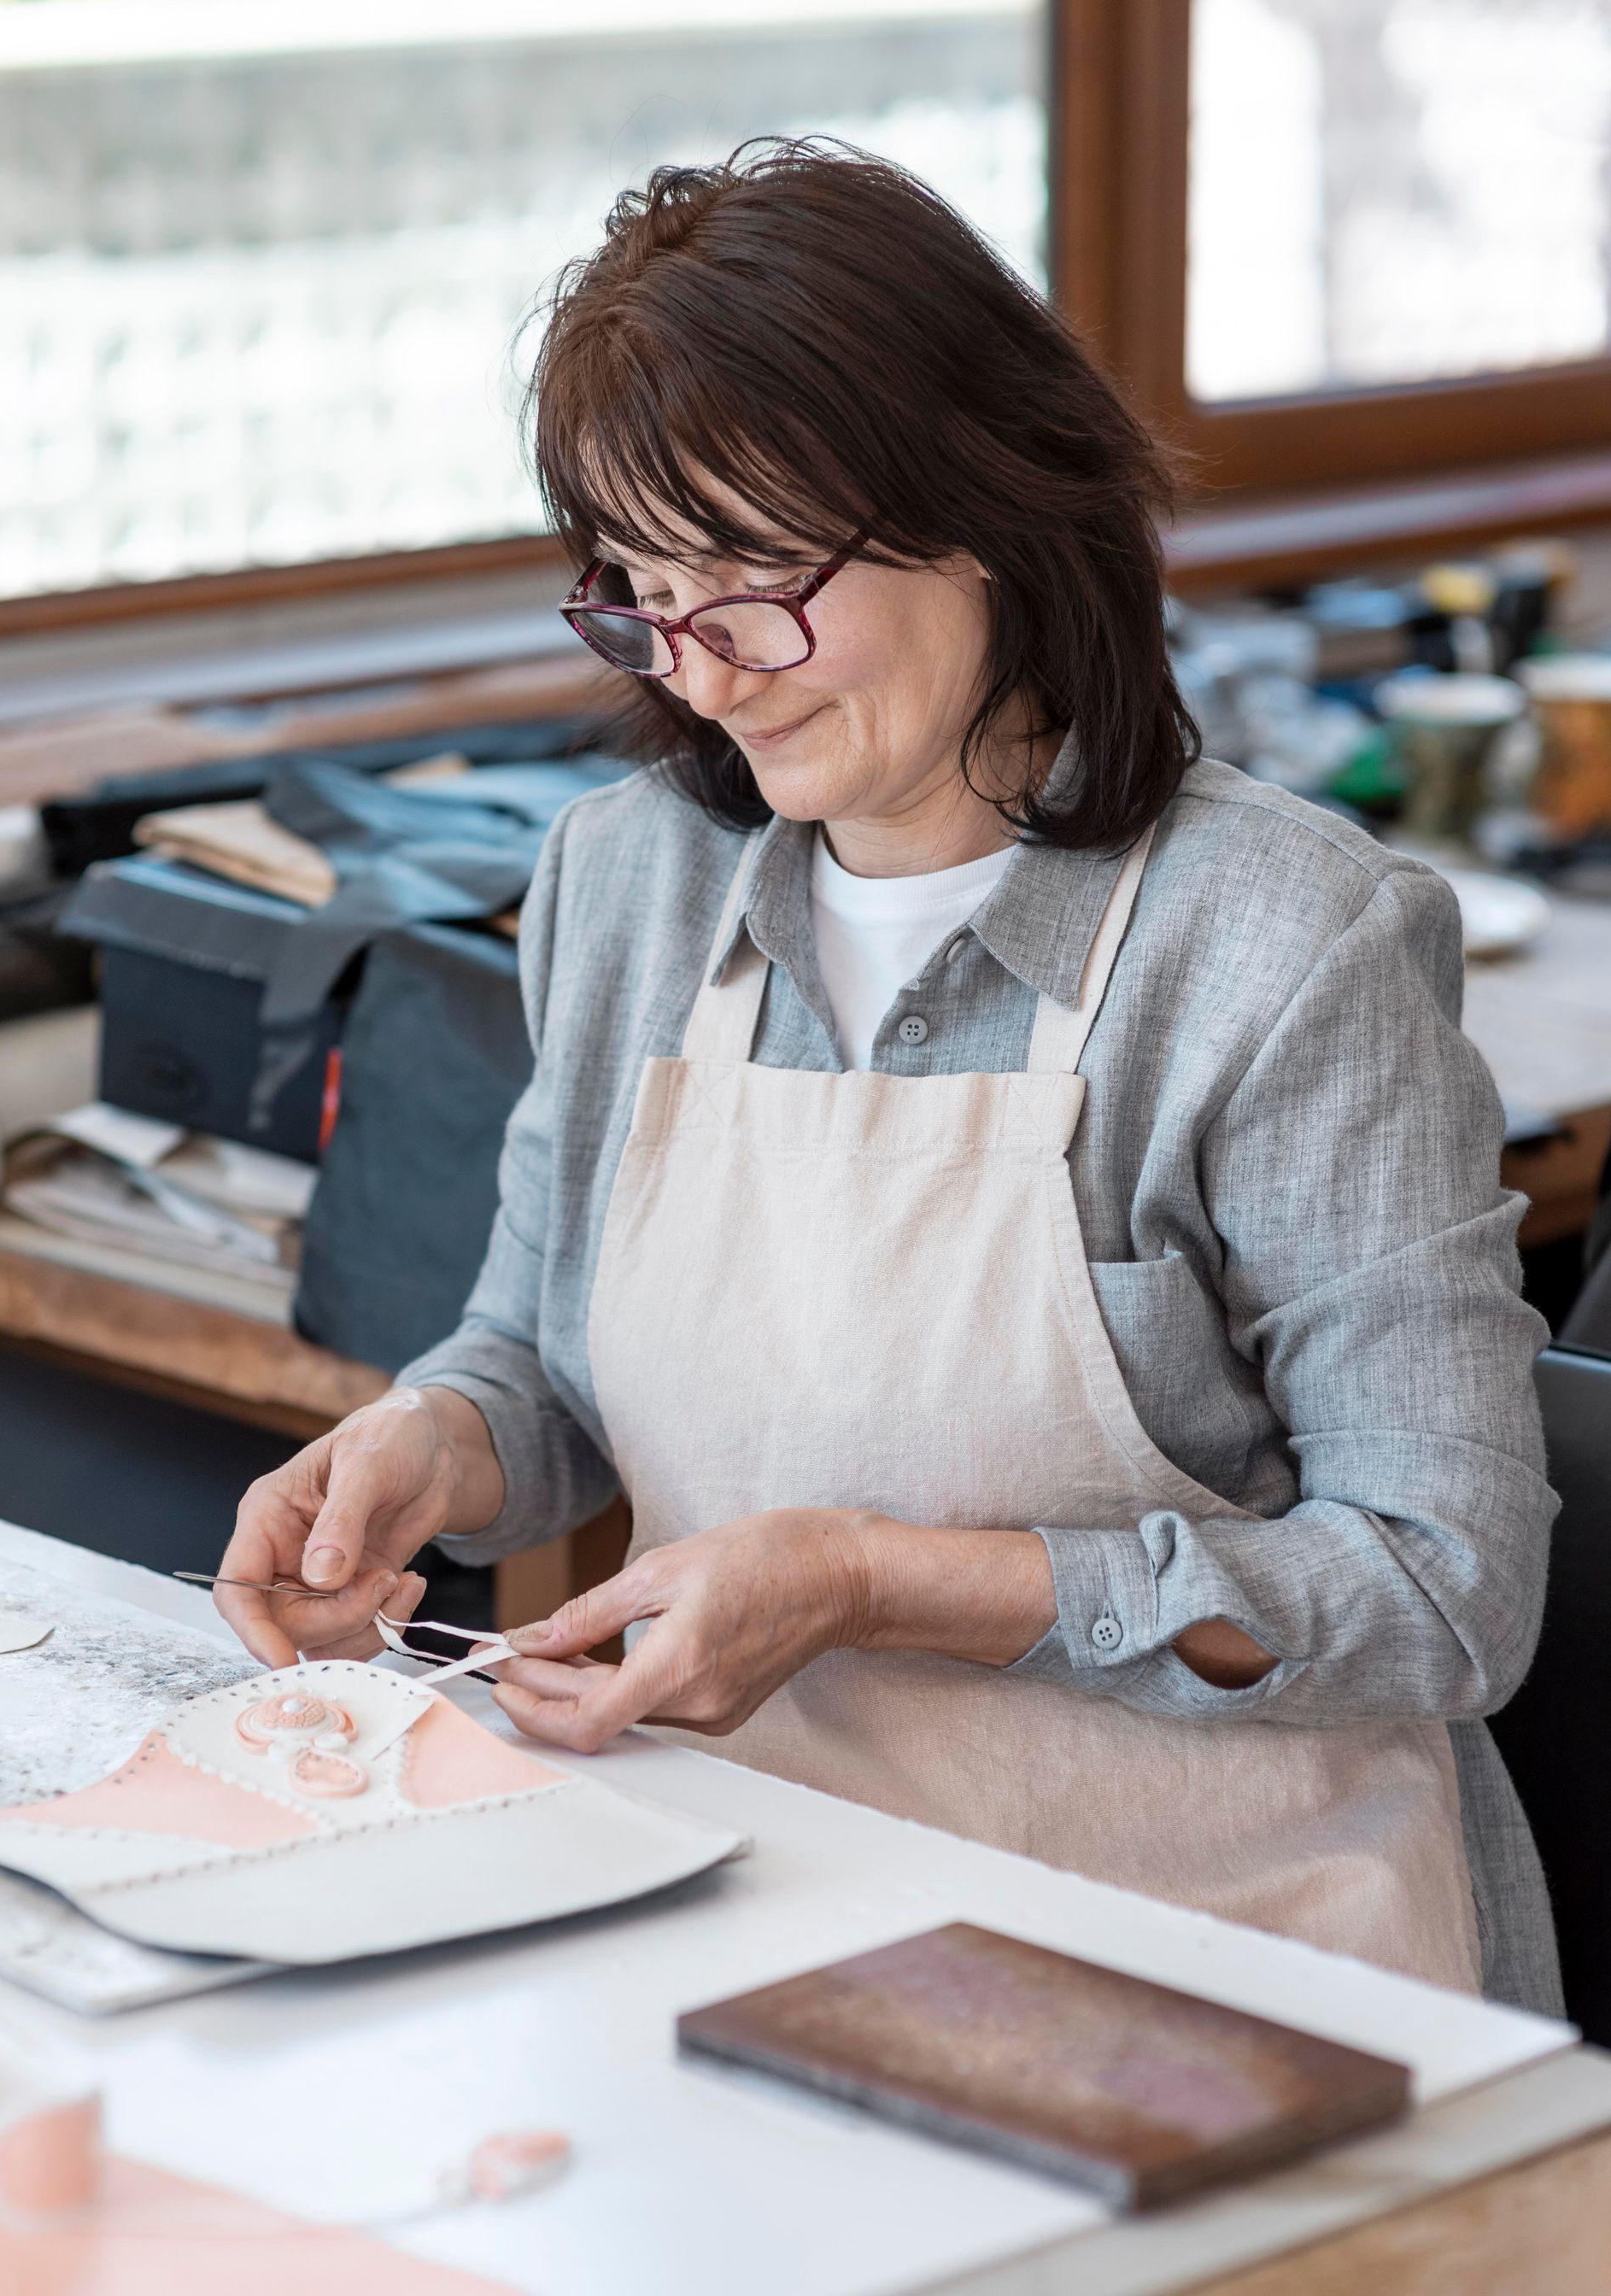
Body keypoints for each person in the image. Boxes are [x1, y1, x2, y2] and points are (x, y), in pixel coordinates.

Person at [215, 141, 1560, 2012]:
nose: (705, 671)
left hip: (1228, 1958)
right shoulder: (627, 880)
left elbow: (1444, 1590)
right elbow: (546, 1364)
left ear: (991, 501)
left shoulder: (1287, 947)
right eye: (643, 590)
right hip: (757, 1897)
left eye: (758, 575)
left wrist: (870, 1578)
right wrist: (429, 1449)